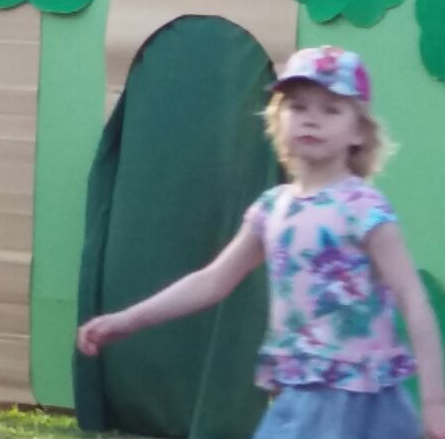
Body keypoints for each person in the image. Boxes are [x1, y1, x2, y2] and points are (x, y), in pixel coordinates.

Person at [77, 46, 445, 439]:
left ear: (359, 131)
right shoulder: (271, 209)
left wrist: (435, 402)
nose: (312, 119)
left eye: (331, 109)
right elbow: (212, 280)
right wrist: (128, 320)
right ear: (277, 118)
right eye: (298, 107)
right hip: (299, 396)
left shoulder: (364, 208)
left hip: (362, 402)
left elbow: (413, 300)